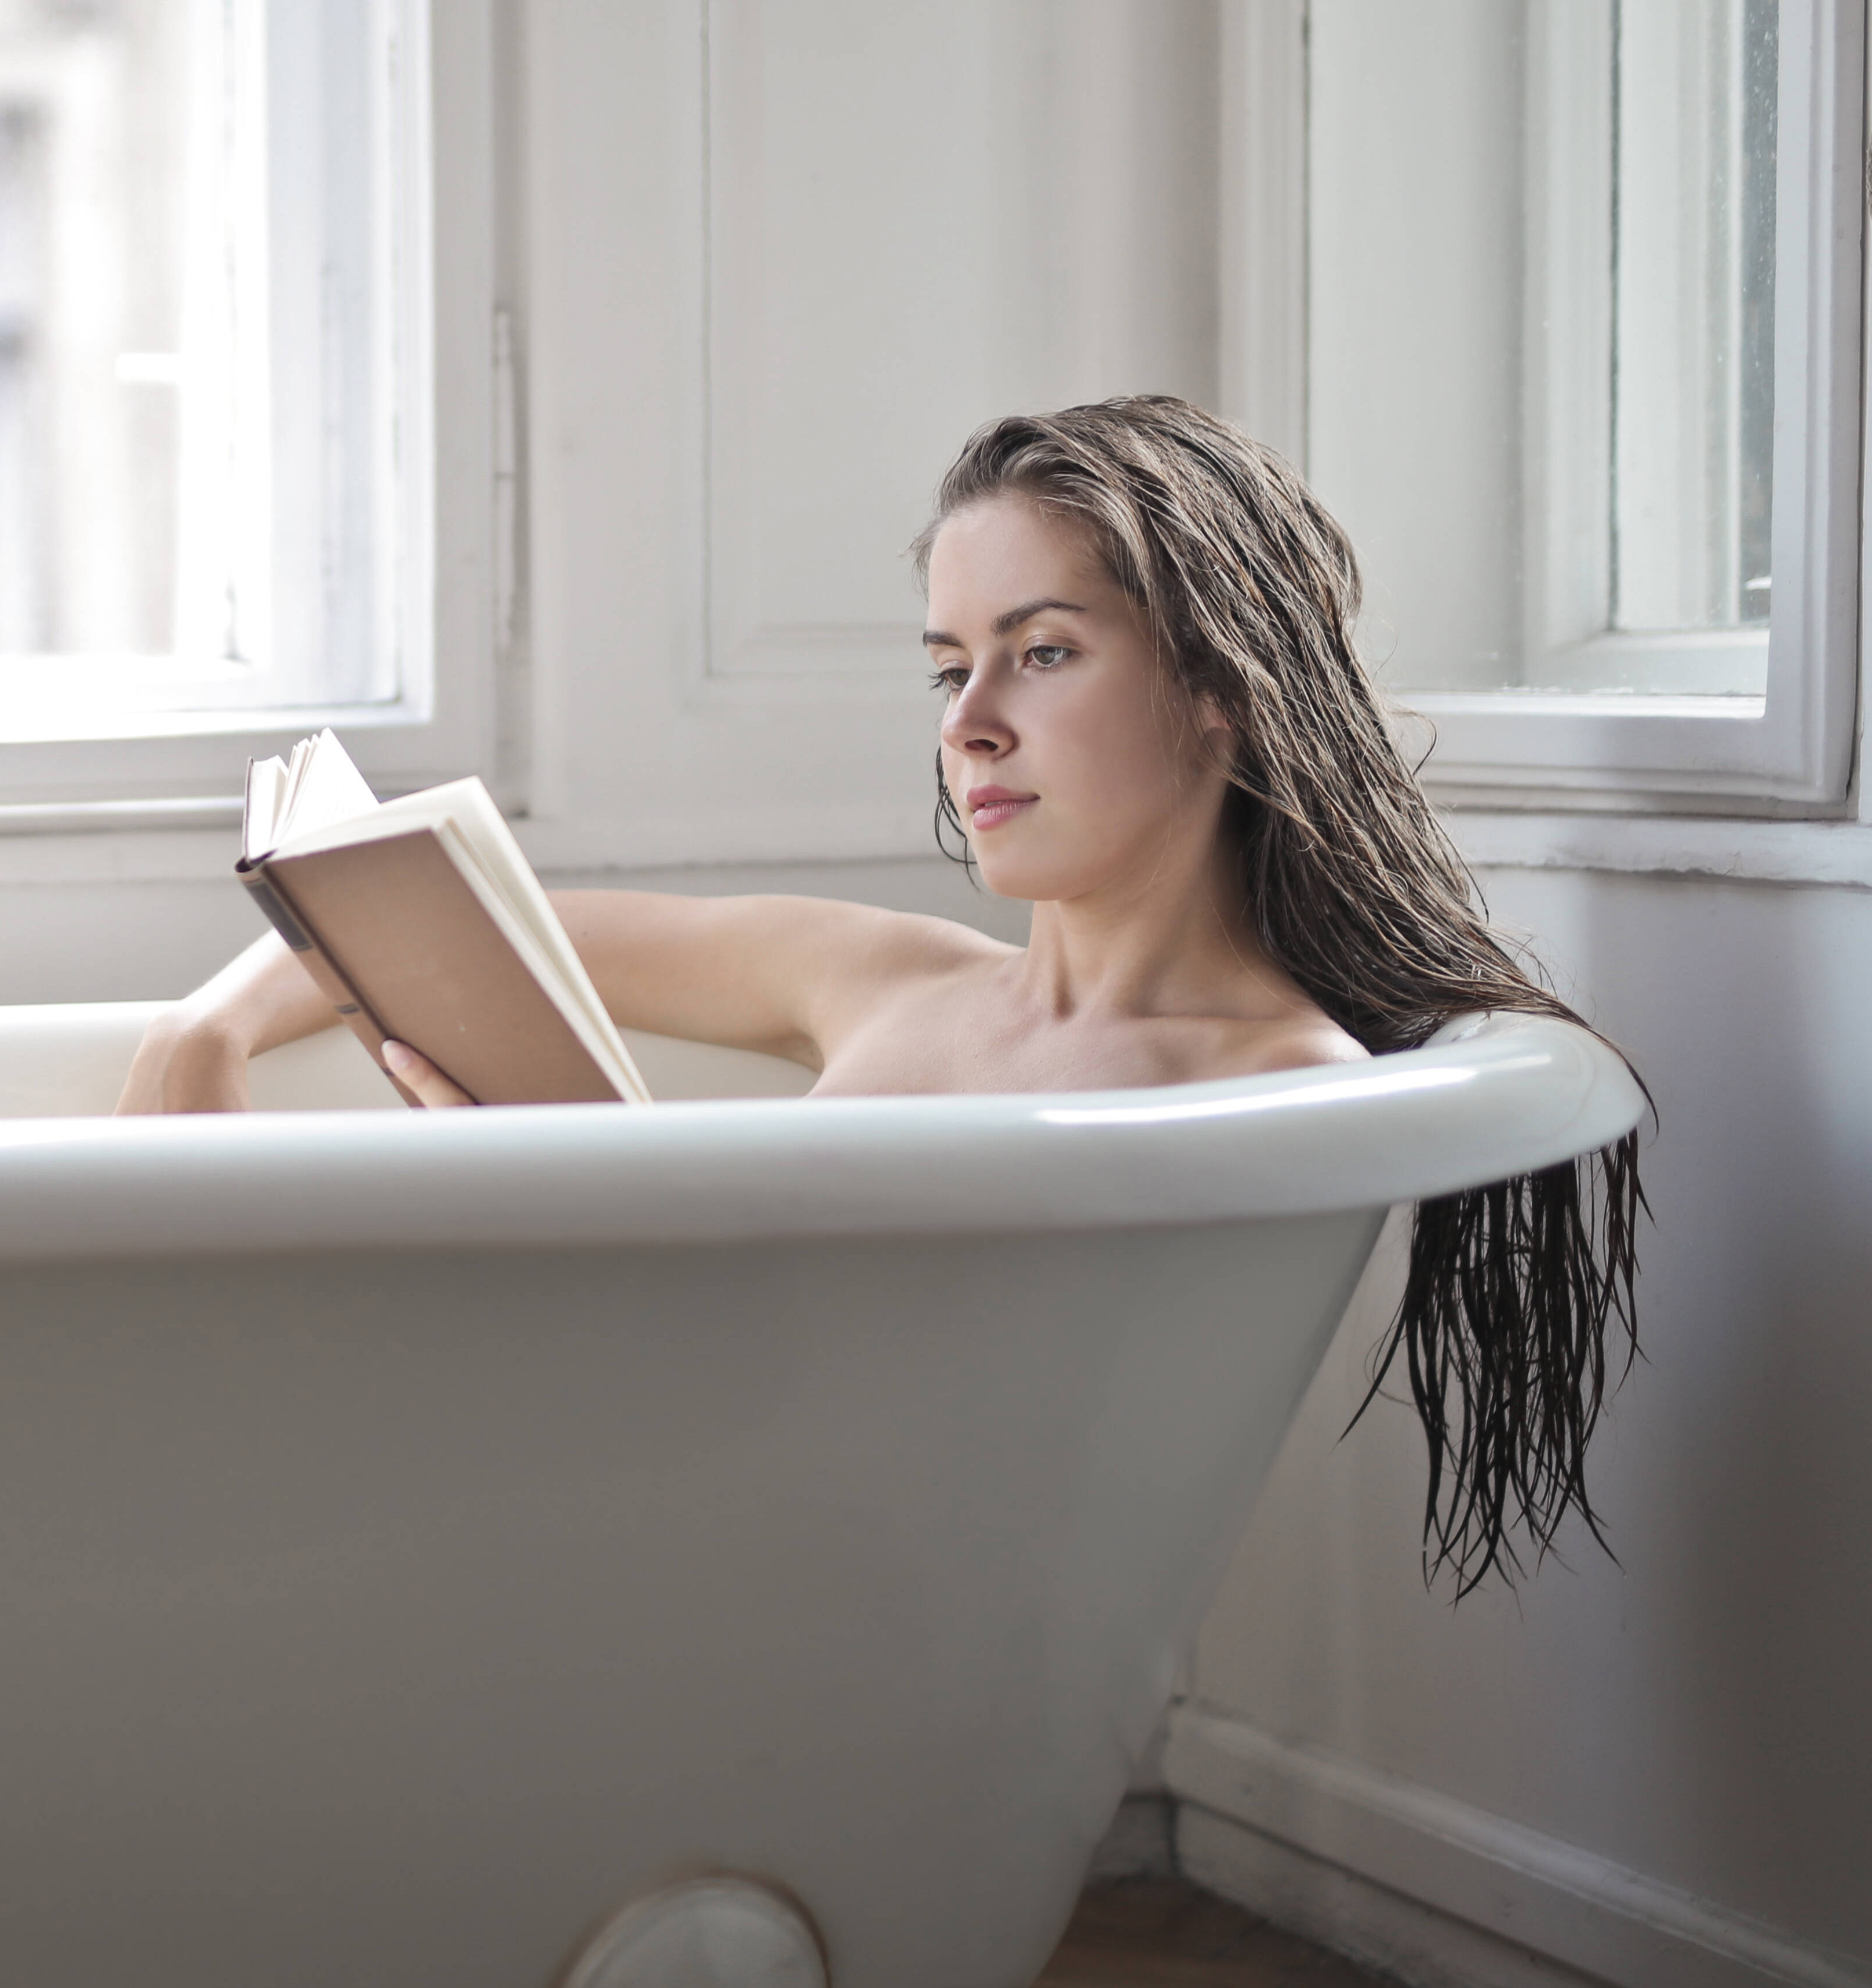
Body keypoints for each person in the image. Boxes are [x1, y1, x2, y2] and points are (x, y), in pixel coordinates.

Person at [118, 396, 1645, 1594]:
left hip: (763, 1611)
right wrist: (205, 1037)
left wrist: (534, 1236)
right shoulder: (881, 978)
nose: (968, 725)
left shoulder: (1277, 1086)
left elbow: (883, 1481)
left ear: (1218, 689)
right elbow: (425, 904)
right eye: (946, 668)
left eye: (1039, 654)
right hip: (591, 1540)